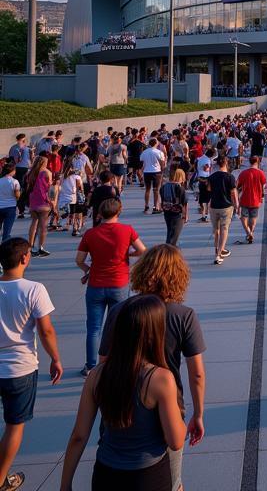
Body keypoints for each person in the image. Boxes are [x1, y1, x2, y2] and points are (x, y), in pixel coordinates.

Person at [98, 245, 207, 491]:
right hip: (167, 404)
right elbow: (196, 373)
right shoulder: (184, 315)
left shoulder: (119, 311)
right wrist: (198, 413)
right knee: (171, 479)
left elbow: (103, 363)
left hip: (121, 402)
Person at [59, 294, 186, 491]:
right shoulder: (160, 378)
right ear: (155, 332)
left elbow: (79, 435)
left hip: (106, 474)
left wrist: (65, 485)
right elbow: (176, 441)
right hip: (147, 476)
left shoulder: (97, 375)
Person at [0, 238, 62, 491]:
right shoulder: (33, 289)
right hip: (20, 367)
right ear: (25, 258)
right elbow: (45, 331)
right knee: (15, 425)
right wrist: (55, 358)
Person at [76, 198, 146, 377]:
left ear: (100, 213)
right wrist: (129, 254)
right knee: (119, 326)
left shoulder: (91, 234)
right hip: (119, 284)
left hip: (96, 286)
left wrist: (88, 270)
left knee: (93, 328)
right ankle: (119, 363)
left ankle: (91, 366)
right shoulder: (127, 230)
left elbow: (79, 260)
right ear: (118, 212)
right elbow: (142, 250)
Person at [208, 157, 238, 265]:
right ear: (226, 163)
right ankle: (219, 253)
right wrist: (237, 205)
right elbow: (233, 193)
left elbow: (209, 189)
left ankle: (218, 249)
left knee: (216, 230)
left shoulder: (211, 177)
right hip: (226, 206)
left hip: (214, 206)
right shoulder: (230, 177)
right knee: (224, 229)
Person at [24, 158, 54, 259]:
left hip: (33, 199)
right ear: (44, 163)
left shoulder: (31, 173)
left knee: (34, 223)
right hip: (43, 200)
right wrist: (53, 202)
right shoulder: (47, 172)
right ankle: (40, 247)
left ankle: (30, 246)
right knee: (43, 226)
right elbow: (50, 189)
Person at [234, 156, 267, 246]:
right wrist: (262, 196)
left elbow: (237, 186)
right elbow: (264, 186)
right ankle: (251, 232)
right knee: (253, 217)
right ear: (258, 162)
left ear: (249, 162)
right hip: (256, 199)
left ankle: (248, 233)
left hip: (244, 198)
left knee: (243, 216)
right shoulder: (261, 173)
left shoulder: (243, 173)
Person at [158, 169, 188, 247]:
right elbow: (184, 203)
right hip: (177, 214)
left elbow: (162, 198)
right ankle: (169, 252)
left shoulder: (164, 187)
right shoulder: (180, 188)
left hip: (167, 212)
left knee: (169, 232)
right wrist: (185, 215)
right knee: (175, 235)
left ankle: (168, 250)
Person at [140, 139, 167, 215]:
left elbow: (142, 161)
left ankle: (146, 205)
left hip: (147, 171)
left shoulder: (144, 152)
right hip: (156, 172)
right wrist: (162, 171)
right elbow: (162, 163)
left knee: (147, 189)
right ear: (156, 143)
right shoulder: (159, 152)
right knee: (156, 190)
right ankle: (155, 207)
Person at [0, 165, 19, 244]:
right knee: (6, 231)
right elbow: (17, 196)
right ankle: (3, 249)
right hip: (10, 207)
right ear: (12, 171)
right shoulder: (15, 182)